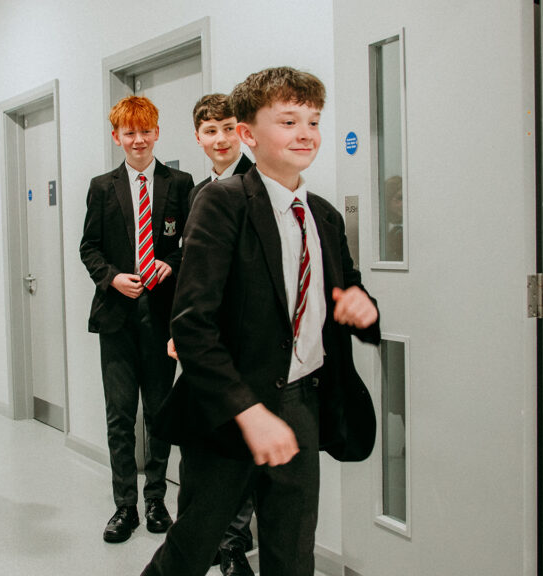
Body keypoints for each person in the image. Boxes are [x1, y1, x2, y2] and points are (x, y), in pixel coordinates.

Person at [141, 67, 381, 576]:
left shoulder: (324, 216)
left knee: (292, 550)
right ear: (248, 134)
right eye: (288, 121)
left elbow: (348, 293)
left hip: (302, 403)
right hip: (230, 405)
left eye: (313, 121)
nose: (305, 133)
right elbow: (192, 325)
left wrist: (363, 310)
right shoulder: (222, 203)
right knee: (194, 545)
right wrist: (249, 413)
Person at [79, 95, 193, 543]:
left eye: (146, 131)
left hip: (163, 320)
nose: (139, 140)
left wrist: (171, 263)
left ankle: (156, 500)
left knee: (160, 415)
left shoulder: (179, 183)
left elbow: (191, 244)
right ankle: (125, 505)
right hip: (117, 319)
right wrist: (111, 277)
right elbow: (89, 247)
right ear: (117, 137)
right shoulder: (101, 187)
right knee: (120, 416)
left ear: (157, 132)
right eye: (130, 133)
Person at [184, 92, 257, 576]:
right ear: (198, 138)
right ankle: (211, 535)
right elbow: (192, 270)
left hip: (245, 340)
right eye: (211, 131)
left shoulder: (257, 185)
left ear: (242, 131)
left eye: (229, 128)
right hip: (204, 341)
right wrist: (183, 330)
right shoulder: (198, 193)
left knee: (240, 445)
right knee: (205, 443)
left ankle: (233, 543)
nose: (221, 139)